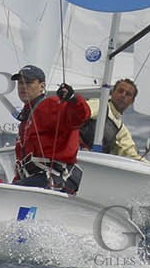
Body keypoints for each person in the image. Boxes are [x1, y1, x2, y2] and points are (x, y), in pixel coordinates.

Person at [9, 64, 90, 194]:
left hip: (53, 180)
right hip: (34, 180)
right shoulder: (26, 115)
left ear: (42, 86)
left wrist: (72, 98)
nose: (23, 86)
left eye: (29, 82)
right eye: (20, 83)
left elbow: (79, 117)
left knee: (12, 194)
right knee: (10, 191)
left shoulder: (51, 104)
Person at [80, 78, 141, 159]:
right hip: (77, 154)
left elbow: (132, 156)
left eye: (128, 94)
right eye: (120, 91)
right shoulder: (99, 105)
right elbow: (76, 114)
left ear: (132, 101)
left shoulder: (121, 129)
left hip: (95, 161)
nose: (123, 95)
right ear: (112, 93)